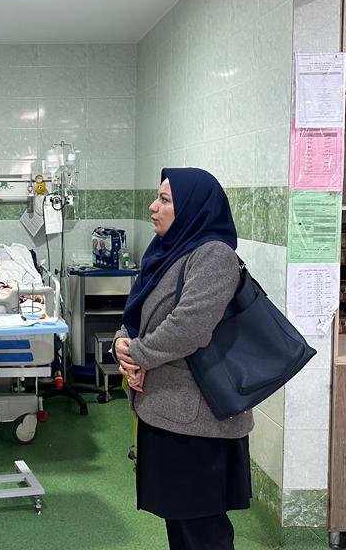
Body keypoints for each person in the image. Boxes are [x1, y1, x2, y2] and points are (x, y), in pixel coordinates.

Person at [113, 167, 253, 549]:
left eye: (165, 199)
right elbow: (140, 312)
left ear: (193, 207)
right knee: (179, 519)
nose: (153, 206)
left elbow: (188, 328)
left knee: (201, 527)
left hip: (199, 422)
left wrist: (138, 355)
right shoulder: (167, 252)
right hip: (166, 412)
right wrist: (122, 343)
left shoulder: (214, 256)